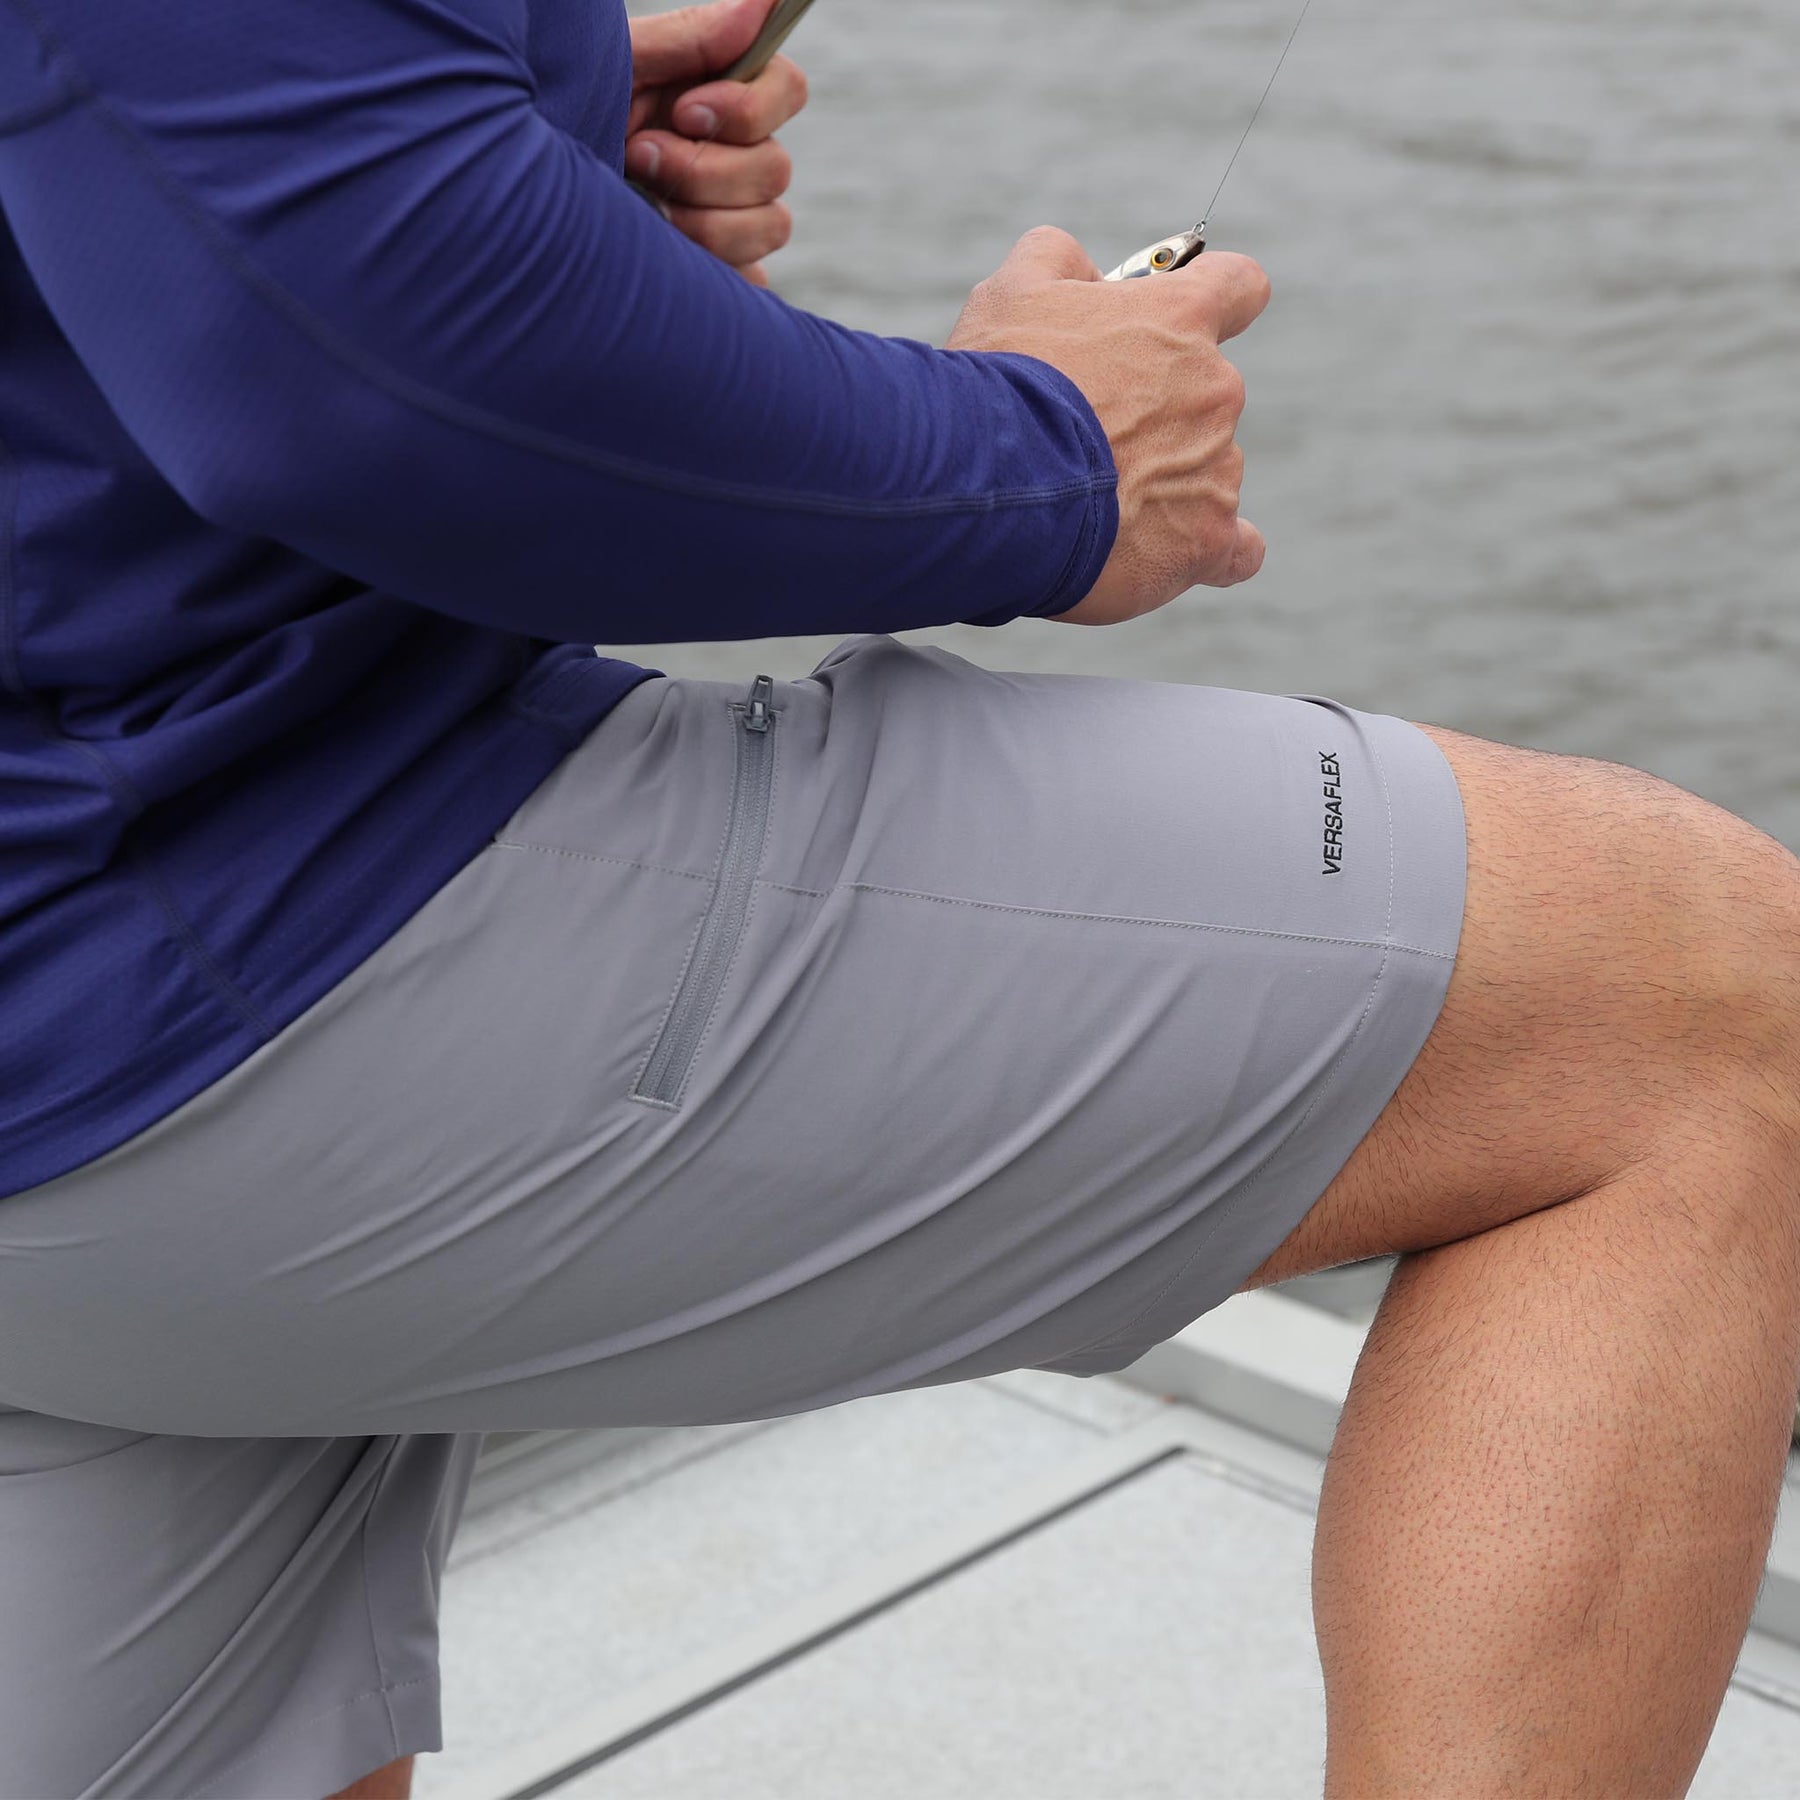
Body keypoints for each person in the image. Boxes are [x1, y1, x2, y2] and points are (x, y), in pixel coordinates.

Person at [0, 0, 1795, 1795]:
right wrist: (1057, 454)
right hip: (193, 956)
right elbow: (357, 396)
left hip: (81, 1015)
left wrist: (481, 132)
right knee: (1682, 996)